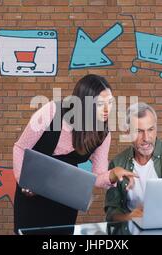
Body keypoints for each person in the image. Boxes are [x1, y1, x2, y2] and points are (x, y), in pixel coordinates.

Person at [12, 74, 137, 234]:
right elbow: (20, 148)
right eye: (100, 104)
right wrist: (23, 180)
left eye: (110, 103)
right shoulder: (52, 111)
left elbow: (98, 177)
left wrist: (114, 174)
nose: (107, 109)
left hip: (66, 194)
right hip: (31, 191)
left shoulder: (103, 133)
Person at [104, 103, 162, 222]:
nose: (146, 138)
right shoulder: (117, 163)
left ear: (156, 128)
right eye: (139, 131)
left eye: (151, 129)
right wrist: (130, 218)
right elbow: (111, 212)